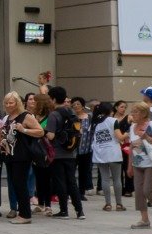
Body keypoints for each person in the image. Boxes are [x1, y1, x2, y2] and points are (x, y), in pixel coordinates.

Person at [0, 92, 44, 224]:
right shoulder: (8, 117)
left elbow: (40, 131)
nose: (8, 105)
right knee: (15, 184)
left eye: (11, 102)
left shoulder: (26, 116)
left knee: (20, 184)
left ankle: (25, 214)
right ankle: (22, 212)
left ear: (17, 103)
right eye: (6, 103)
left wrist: (24, 130)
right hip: (9, 156)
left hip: (22, 156)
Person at [45, 86, 84, 220]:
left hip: (57, 153)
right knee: (72, 182)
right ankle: (80, 211)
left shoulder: (53, 114)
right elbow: (79, 131)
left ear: (54, 99)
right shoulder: (72, 112)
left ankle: (64, 211)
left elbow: (50, 135)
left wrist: (44, 133)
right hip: (71, 153)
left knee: (60, 182)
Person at [89, 103, 125, 212]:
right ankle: (119, 204)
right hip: (113, 152)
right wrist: (128, 133)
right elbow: (120, 137)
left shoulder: (94, 123)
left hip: (100, 153)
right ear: (109, 111)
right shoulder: (113, 121)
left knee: (105, 179)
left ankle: (108, 204)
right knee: (117, 179)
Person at [72, 97, 94, 195]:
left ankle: (81, 193)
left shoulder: (89, 117)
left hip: (86, 148)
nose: (76, 106)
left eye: (78, 104)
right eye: (74, 105)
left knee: (84, 172)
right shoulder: (71, 117)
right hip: (73, 149)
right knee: (71, 171)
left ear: (82, 105)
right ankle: (72, 192)